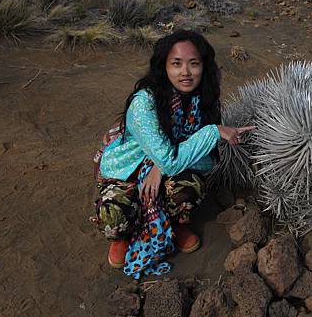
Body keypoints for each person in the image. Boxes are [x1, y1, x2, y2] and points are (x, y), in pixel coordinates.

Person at [92, 30, 254, 278]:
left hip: (164, 158)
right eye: (176, 64)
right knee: (114, 215)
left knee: (187, 190)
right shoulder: (145, 102)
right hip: (127, 170)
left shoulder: (201, 99)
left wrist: (160, 167)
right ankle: (123, 234)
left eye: (194, 63)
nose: (185, 72)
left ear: (204, 66)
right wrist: (214, 132)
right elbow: (171, 156)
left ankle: (176, 223)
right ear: (163, 67)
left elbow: (205, 159)